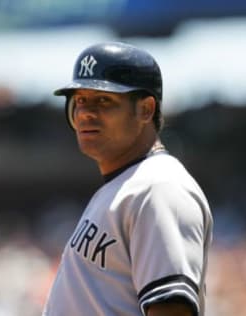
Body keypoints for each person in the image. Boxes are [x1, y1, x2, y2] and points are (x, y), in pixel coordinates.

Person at [42, 42, 213, 316]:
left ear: (145, 109)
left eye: (104, 100)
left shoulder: (159, 187)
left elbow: (172, 309)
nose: (85, 112)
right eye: (80, 100)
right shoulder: (125, 185)